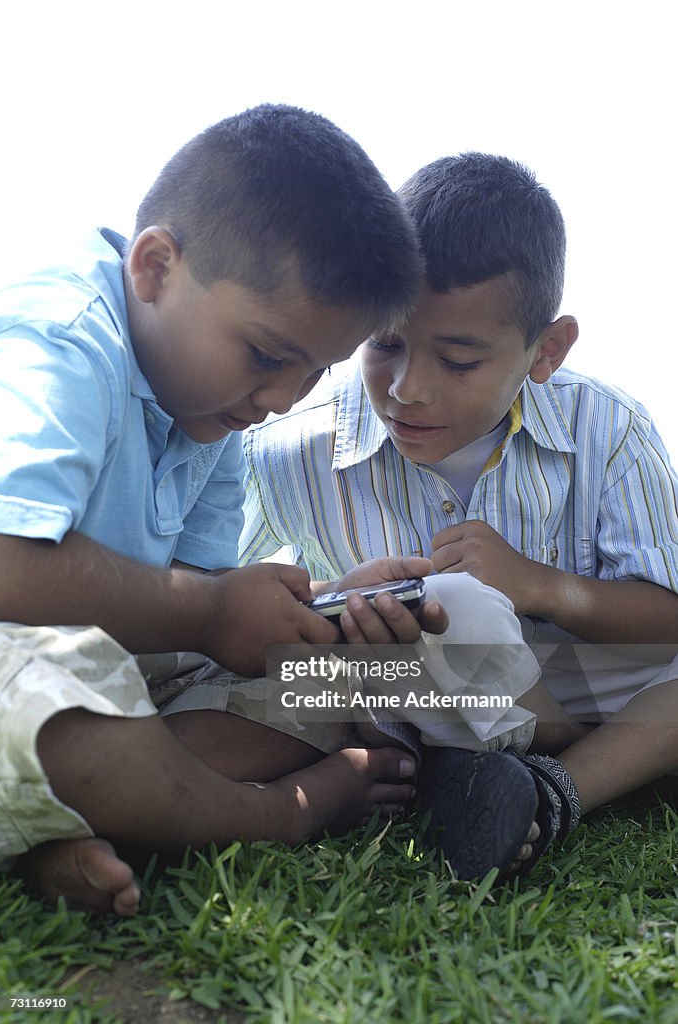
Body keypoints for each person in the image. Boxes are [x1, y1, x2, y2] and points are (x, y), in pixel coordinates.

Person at [0, 103, 446, 917]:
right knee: (82, 724)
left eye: (311, 374)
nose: (280, 400)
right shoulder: (57, 341)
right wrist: (208, 611)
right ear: (155, 268)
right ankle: (272, 814)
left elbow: (189, 614)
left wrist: (310, 612)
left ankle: (90, 820)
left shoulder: (214, 407)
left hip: (113, 677)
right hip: (29, 672)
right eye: (268, 355)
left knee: (328, 678)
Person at [240, 152, 678, 879]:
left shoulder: (610, 427)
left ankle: (548, 787)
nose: (407, 389)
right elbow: (245, 619)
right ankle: (593, 763)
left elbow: (665, 615)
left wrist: (541, 587)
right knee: (444, 610)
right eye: (384, 345)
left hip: (572, 677)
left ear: (546, 350)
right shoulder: (285, 450)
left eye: (459, 360)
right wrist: (332, 607)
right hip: (400, 692)